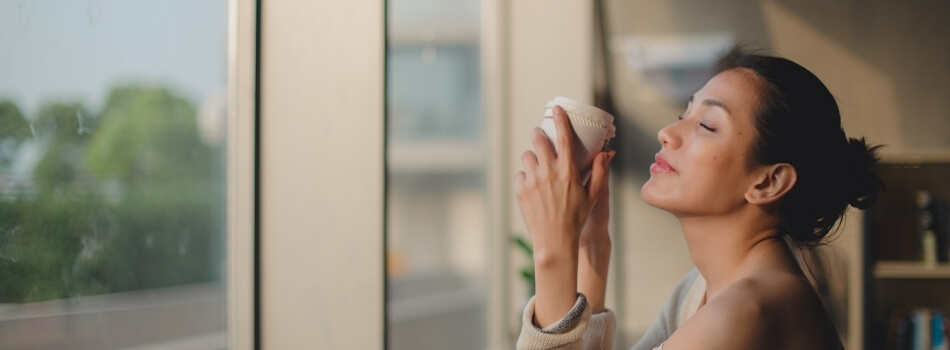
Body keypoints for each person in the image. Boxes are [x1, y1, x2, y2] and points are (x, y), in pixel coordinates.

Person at [513, 49, 883, 350]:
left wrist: (553, 253)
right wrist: (590, 243)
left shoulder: (745, 313)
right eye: (683, 114)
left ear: (769, 181)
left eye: (706, 125)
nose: (667, 132)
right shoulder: (701, 290)